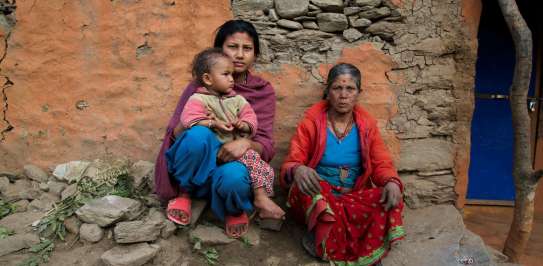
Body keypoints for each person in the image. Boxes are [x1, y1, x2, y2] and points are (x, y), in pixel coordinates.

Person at [155, 20, 285, 238]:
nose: (240, 55)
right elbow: (175, 135)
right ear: (220, 50)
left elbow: (265, 144)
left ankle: (232, 208)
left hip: (228, 167)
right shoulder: (199, 88)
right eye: (232, 47)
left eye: (247, 48)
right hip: (195, 166)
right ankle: (185, 194)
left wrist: (244, 143)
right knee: (197, 135)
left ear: (256, 54)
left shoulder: (262, 92)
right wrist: (202, 123)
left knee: (234, 176)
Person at [280, 63, 405, 265]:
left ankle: (334, 238)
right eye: (337, 88)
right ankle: (330, 238)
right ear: (328, 92)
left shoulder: (366, 125)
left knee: (391, 194)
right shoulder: (312, 121)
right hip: (321, 195)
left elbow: (381, 162)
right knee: (310, 186)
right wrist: (298, 169)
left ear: (359, 93)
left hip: (353, 196)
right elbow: (293, 160)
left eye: (350, 89)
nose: (343, 95)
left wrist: (391, 181)